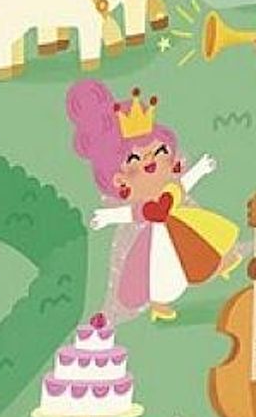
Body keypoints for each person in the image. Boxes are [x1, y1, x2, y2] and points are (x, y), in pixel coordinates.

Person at [67, 83, 237, 322]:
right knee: (158, 271)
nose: (151, 162)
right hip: (155, 239)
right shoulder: (145, 209)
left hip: (182, 225)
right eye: (135, 159)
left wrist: (200, 169)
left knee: (202, 244)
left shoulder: (171, 192)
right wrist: (108, 217)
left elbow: (183, 185)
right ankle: (158, 301)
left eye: (159, 153)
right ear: (120, 180)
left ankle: (220, 264)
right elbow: (131, 214)